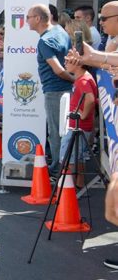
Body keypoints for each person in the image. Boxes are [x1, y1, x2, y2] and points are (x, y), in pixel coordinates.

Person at [27, 4, 73, 174]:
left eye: (28, 17)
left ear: (38, 19)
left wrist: (74, 79)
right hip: (66, 89)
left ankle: (57, 169)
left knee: (56, 132)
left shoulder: (45, 41)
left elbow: (59, 70)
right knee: (64, 131)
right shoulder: (61, 31)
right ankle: (64, 166)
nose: (26, 21)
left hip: (55, 90)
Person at [60, 54, 97, 187]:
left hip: (78, 126)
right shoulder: (83, 78)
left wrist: (83, 114)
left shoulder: (82, 80)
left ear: (79, 63)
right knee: (79, 156)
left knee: (67, 157)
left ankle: (67, 187)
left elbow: (91, 99)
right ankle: (78, 184)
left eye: (68, 61)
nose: (65, 63)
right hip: (81, 125)